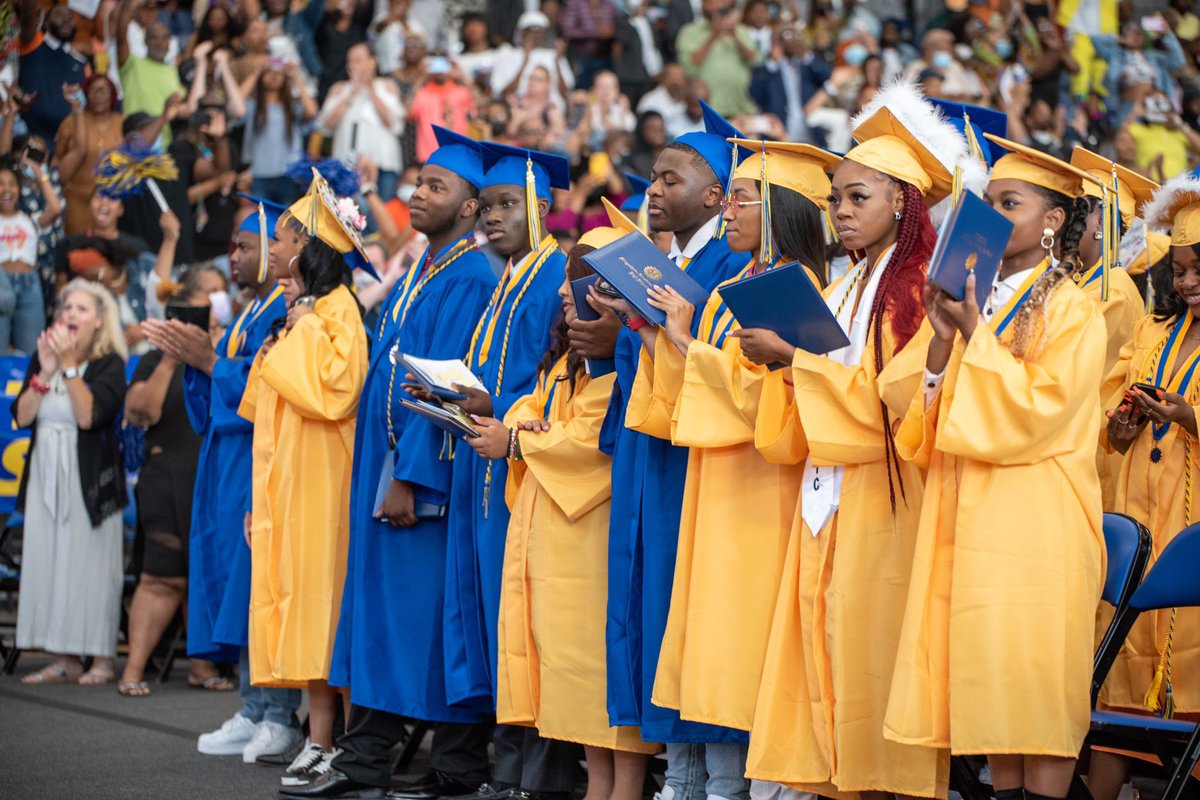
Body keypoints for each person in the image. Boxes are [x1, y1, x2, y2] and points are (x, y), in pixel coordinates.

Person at [733, 85, 970, 797]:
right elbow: (817, 390)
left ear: (903, 200)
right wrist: (779, 367)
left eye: (857, 197)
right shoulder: (846, 283)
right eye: (835, 198)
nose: (840, 211)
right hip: (829, 491)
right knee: (825, 643)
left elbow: (898, 408)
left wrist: (792, 361)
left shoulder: (923, 286)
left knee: (870, 651)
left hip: (886, 497)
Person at [888, 134, 1107, 800]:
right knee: (992, 707)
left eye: (1009, 202)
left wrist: (974, 335)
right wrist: (944, 344)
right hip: (975, 524)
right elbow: (930, 421)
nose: (991, 215)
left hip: (1039, 530)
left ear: (1053, 221)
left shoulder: (1074, 311)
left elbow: (1039, 411)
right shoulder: (983, 304)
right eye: (987, 202)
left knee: (1036, 707)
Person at [284, 126, 498, 800]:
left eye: (436, 186)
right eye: (418, 181)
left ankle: (413, 764)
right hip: (389, 472)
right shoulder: (427, 268)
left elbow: (448, 383)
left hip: (422, 483)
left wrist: (411, 476)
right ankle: (384, 763)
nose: (417, 193)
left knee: (430, 624)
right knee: (392, 623)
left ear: (469, 207)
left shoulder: (469, 275)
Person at [604, 139, 839, 752]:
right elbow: (701, 386)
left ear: (781, 209)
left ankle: (722, 785)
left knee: (738, 635)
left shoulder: (794, 283)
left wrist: (681, 340)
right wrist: (660, 333)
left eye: (741, 200)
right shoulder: (745, 276)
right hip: (720, 475)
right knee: (706, 631)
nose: (728, 212)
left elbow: (765, 398)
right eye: (729, 198)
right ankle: (690, 781)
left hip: (760, 481)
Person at [468, 227, 659, 800]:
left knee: (603, 675)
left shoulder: (618, 373)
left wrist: (522, 442)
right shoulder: (568, 366)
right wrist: (526, 424)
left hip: (594, 544)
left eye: (577, 284)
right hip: (558, 542)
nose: (563, 296)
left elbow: (592, 444)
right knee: (575, 685)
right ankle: (598, 787)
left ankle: (623, 791)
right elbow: (537, 408)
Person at [602, 100, 755, 800]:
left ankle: (708, 777)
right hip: (648, 456)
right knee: (655, 607)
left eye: (669, 179)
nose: (652, 192)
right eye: (651, 179)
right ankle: (682, 773)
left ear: (716, 196)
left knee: (691, 610)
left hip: (694, 460)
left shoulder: (731, 263)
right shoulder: (660, 261)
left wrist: (657, 329)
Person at [440, 142, 579, 800]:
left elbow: (543, 377)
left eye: (506, 204)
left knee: (525, 618)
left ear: (543, 209)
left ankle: (534, 771)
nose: (492, 217)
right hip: (489, 465)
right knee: (497, 616)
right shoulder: (510, 274)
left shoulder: (554, 277)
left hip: (523, 464)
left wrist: (489, 404)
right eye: (487, 206)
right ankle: (507, 761)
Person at [142, 197, 301, 761]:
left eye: (247, 246)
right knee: (238, 583)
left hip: (256, 459)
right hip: (228, 458)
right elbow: (215, 399)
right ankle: (252, 705)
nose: (234, 256)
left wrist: (211, 363)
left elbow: (267, 391)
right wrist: (194, 360)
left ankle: (278, 712)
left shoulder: (286, 313)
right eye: (234, 246)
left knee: (259, 584)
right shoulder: (247, 314)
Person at [238, 174, 370, 788]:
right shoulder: (306, 311)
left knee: (326, 611)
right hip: (291, 483)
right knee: (308, 611)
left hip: (325, 483)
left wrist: (305, 326)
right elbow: (262, 405)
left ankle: (340, 742)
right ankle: (320, 739)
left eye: (288, 235)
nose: (277, 246)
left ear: (312, 247)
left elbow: (333, 394)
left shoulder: (339, 312)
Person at [1089, 172, 1200, 800]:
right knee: (1122, 665)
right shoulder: (1154, 334)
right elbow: (1113, 429)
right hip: (1141, 514)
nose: (1186, 283)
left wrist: (1188, 416)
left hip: (1193, 522)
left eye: (1197, 271)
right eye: (1180, 270)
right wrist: (1125, 421)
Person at [118, 274, 230, 698]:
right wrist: (169, 357)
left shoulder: (225, 354)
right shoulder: (153, 360)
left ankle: (203, 665)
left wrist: (210, 350)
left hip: (210, 475)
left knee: (204, 569)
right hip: (165, 478)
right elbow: (139, 412)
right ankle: (133, 668)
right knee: (162, 574)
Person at [14, 279, 128, 686]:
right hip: (46, 477)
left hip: (90, 483)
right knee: (49, 563)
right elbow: (23, 416)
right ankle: (64, 657)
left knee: (91, 568)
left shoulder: (110, 363)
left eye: (81, 309)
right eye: (67, 308)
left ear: (99, 321)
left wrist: (69, 367)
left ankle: (101, 657)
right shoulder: (42, 357)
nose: (71, 315)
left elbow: (89, 416)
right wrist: (44, 372)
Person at [1069, 146, 1160, 509]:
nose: (1070, 221)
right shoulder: (1083, 280)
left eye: (1081, 212)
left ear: (1102, 225)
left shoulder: (1114, 290)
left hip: (1093, 441)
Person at [317, 43, 405, 207]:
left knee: (383, 214)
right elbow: (325, 126)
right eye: (349, 61)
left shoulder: (387, 86)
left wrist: (370, 88)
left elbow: (394, 124)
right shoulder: (339, 88)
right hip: (347, 164)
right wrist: (352, 92)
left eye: (358, 60)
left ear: (373, 62)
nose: (352, 65)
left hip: (383, 163)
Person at [240, 58, 319, 206]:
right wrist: (255, 74)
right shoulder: (252, 106)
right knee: (261, 224)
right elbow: (236, 103)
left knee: (287, 225)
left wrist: (296, 78)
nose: (274, 76)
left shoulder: (293, 107)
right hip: (258, 174)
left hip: (289, 175)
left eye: (279, 73)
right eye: (268, 72)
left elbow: (312, 111)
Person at [0, 156, 58, 354]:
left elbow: (55, 208)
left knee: (32, 351)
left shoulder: (30, 221)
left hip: (29, 286)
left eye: (12, 184)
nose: (6, 189)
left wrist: (38, 171)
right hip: (1, 284)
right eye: (0, 184)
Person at [54, 76, 123, 235]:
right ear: (85, 94)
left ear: (113, 94)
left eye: (103, 90)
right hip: (76, 200)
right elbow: (58, 158)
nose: (98, 95)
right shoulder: (71, 122)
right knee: (77, 249)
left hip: (108, 204)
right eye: (93, 90)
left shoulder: (122, 123)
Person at [16, 5, 88, 149]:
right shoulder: (32, 45)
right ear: (46, 22)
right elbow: (28, 19)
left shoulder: (81, 61)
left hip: (69, 144)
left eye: (69, 17)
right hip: (34, 139)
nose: (66, 20)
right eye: (59, 14)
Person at [675, 0, 762, 119]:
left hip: (740, 109)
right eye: (713, 2)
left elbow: (755, 60)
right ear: (703, 5)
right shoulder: (689, 31)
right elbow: (689, 68)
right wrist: (713, 35)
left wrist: (735, 37)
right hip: (706, 112)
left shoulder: (740, 30)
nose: (719, 5)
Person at [116, 0, 187, 146]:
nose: (159, 43)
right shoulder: (132, 64)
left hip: (165, 146)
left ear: (170, 42)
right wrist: (130, 4)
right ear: (145, 41)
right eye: (154, 37)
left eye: (164, 38)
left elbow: (182, 108)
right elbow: (121, 34)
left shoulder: (173, 72)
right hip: (136, 141)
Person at [490, 11, 574, 112]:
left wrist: (557, 62)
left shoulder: (554, 55)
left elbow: (566, 93)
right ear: (521, 31)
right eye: (530, 29)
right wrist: (525, 61)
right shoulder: (508, 54)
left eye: (539, 29)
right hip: (518, 110)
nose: (535, 34)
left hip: (552, 111)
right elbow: (504, 93)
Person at [408, 56, 477, 163]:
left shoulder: (462, 92)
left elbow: (479, 109)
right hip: (429, 157)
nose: (439, 70)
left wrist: (463, 77)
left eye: (443, 64)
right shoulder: (422, 93)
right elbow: (407, 114)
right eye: (434, 64)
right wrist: (420, 78)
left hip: (458, 154)